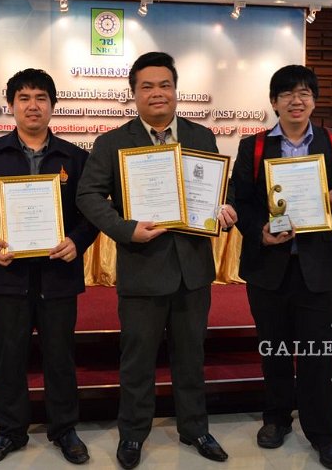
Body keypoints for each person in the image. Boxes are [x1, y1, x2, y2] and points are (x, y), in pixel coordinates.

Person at [76, 51, 237, 469]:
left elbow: (222, 190)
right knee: (137, 360)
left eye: (165, 84)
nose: (157, 93)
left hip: (192, 271)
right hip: (142, 268)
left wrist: (225, 208)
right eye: (147, 86)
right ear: (134, 93)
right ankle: (132, 434)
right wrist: (126, 228)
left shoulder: (202, 137)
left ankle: (195, 428)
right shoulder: (112, 142)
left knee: (191, 357)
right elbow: (88, 195)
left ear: (176, 90)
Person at [0, 68, 98, 466]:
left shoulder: (74, 158)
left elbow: (92, 212)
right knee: (9, 357)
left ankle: (64, 428)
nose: (32, 106)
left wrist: (77, 241)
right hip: (8, 275)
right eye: (24, 98)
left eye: (40, 98)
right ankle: (10, 431)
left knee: (60, 357)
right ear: (11, 105)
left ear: (53, 105)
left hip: (58, 276)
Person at [230, 65, 332, 470]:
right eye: (287, 93)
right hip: (268, 267)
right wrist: (260, 231)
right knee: (273, 349)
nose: (296, 100)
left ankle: (323, 434)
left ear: (314, 101)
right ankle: (276, 418)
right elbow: (242, 201)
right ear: (274, 102)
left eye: (304, 93)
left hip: (318, 268)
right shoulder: (253, 147)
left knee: (319, 354)